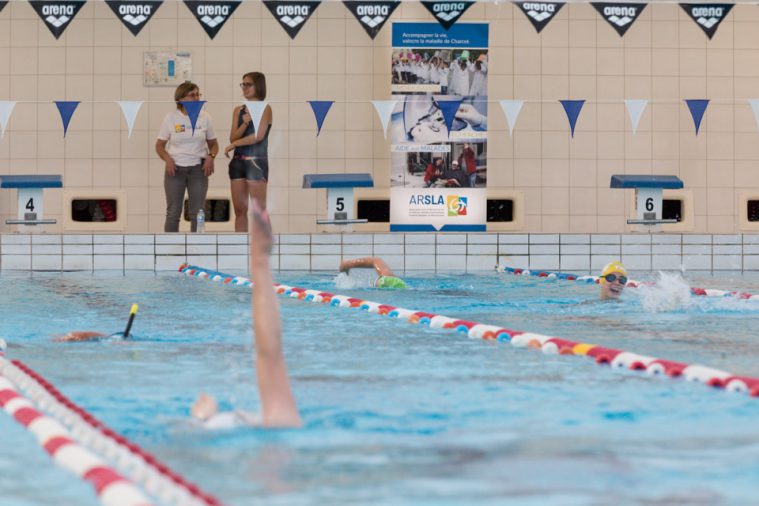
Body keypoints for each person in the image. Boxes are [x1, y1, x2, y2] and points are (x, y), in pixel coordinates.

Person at [191, 199, 301, 429]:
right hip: (247, 430)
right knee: (271, 359)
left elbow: (269, 354)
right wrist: (260, 262)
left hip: (206, 426)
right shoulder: (280, 424)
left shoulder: (277, 424)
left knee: (271, 359)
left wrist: (201, 417)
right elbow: (269, 354)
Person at [156, 82, 218, 233]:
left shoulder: (205, 117)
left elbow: (214, 144)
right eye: (192, 95)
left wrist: (211, 156)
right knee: (173, 212)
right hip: (175, 170)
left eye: (198, 94)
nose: (196, 98)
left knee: (198, 213)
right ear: (181, 99)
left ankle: (197, 247)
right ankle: (170, 248)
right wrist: (168, 159)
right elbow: (159, 145)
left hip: (198, 169)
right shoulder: (171, 118)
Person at [224, 72, 273, 232]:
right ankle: (240, 250)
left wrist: (235, 144)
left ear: (258, 86)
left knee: (259, 211)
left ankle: (265, 251)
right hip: (238, 162)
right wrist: (244, 123)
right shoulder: (238, 110)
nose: (244, 88)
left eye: (248, 84)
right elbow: (233, 137)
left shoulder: (265, 108)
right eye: (242, 84)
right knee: (239, 211)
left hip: (256, 161)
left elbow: (259, 136)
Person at [339, 257, 407, 289]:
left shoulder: (389, 277)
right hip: (393, 285)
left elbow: (374, 260)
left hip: (389, 281)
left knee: (377, 260)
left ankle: (345, 264)